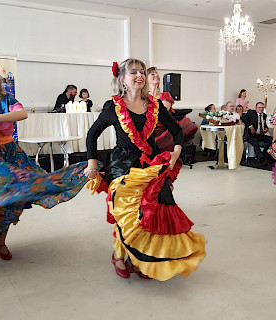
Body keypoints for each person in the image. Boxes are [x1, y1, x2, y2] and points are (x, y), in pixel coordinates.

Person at [85, 58, 205, 281]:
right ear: (122, 79)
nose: (139, 75)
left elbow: (177, 131)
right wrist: (92, 163)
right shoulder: (113, 107)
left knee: (154, 213)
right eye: (133, 72)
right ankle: (119, 255)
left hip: (151, 165)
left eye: (141, 72)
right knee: (127, 215)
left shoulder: (155, 106)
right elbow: (92, 134)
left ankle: (141, 258)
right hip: (123, 166)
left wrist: (176, 152)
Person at [0, 60, 91, 259]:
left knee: (12, 197)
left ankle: (1, 242)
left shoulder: (6, 98)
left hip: (8, 154)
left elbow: (21, 114)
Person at [147, 66, 198, 152]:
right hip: (148, 131)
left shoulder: (165, 95)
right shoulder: (144, 97)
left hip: (162, 132)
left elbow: (162, 112)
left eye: (157, 74)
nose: (156, 75)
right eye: (152, 74)